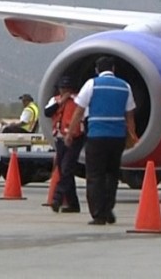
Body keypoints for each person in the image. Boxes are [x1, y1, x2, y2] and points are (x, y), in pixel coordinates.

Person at [65, 55, 138, 225]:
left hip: (97, 136)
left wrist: (70, 133)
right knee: (112, 175)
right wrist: (132, 135)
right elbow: (130, 115)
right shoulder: (124, 86)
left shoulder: (92, 84)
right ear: (113, 69)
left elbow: (79, 110)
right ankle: (108, 209)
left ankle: (98, 214)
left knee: (95, 175)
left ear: (97, 70)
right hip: (117, 137)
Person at [44, 76, 85, 213]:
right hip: (60, 138)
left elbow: (85, 118)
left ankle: (57, 198)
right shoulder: (54, 101)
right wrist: (61, 101)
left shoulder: (79, 101)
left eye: (67, 89)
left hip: (75, 138)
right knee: (63, 170)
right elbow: (47, 112)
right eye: (62, 88)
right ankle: (73, 204)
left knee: (67, 167)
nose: (64, 91)